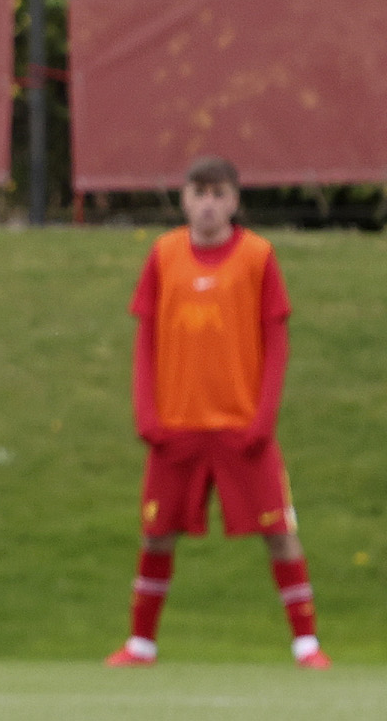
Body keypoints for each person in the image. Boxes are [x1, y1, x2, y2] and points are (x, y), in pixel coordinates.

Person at [107, 155, 327, 670]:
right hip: (177, 426)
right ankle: (141, 644)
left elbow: (276, 340)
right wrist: (147, 413)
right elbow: (146, 339)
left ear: (235, 201)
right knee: (156, 532)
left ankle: (307, 645)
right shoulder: (162, 255)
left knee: (280, 532)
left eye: (219, 193)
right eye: (199, 193)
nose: (208, 204)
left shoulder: (257, 256)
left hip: (241, 425)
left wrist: (264, 417)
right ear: (183, 199)